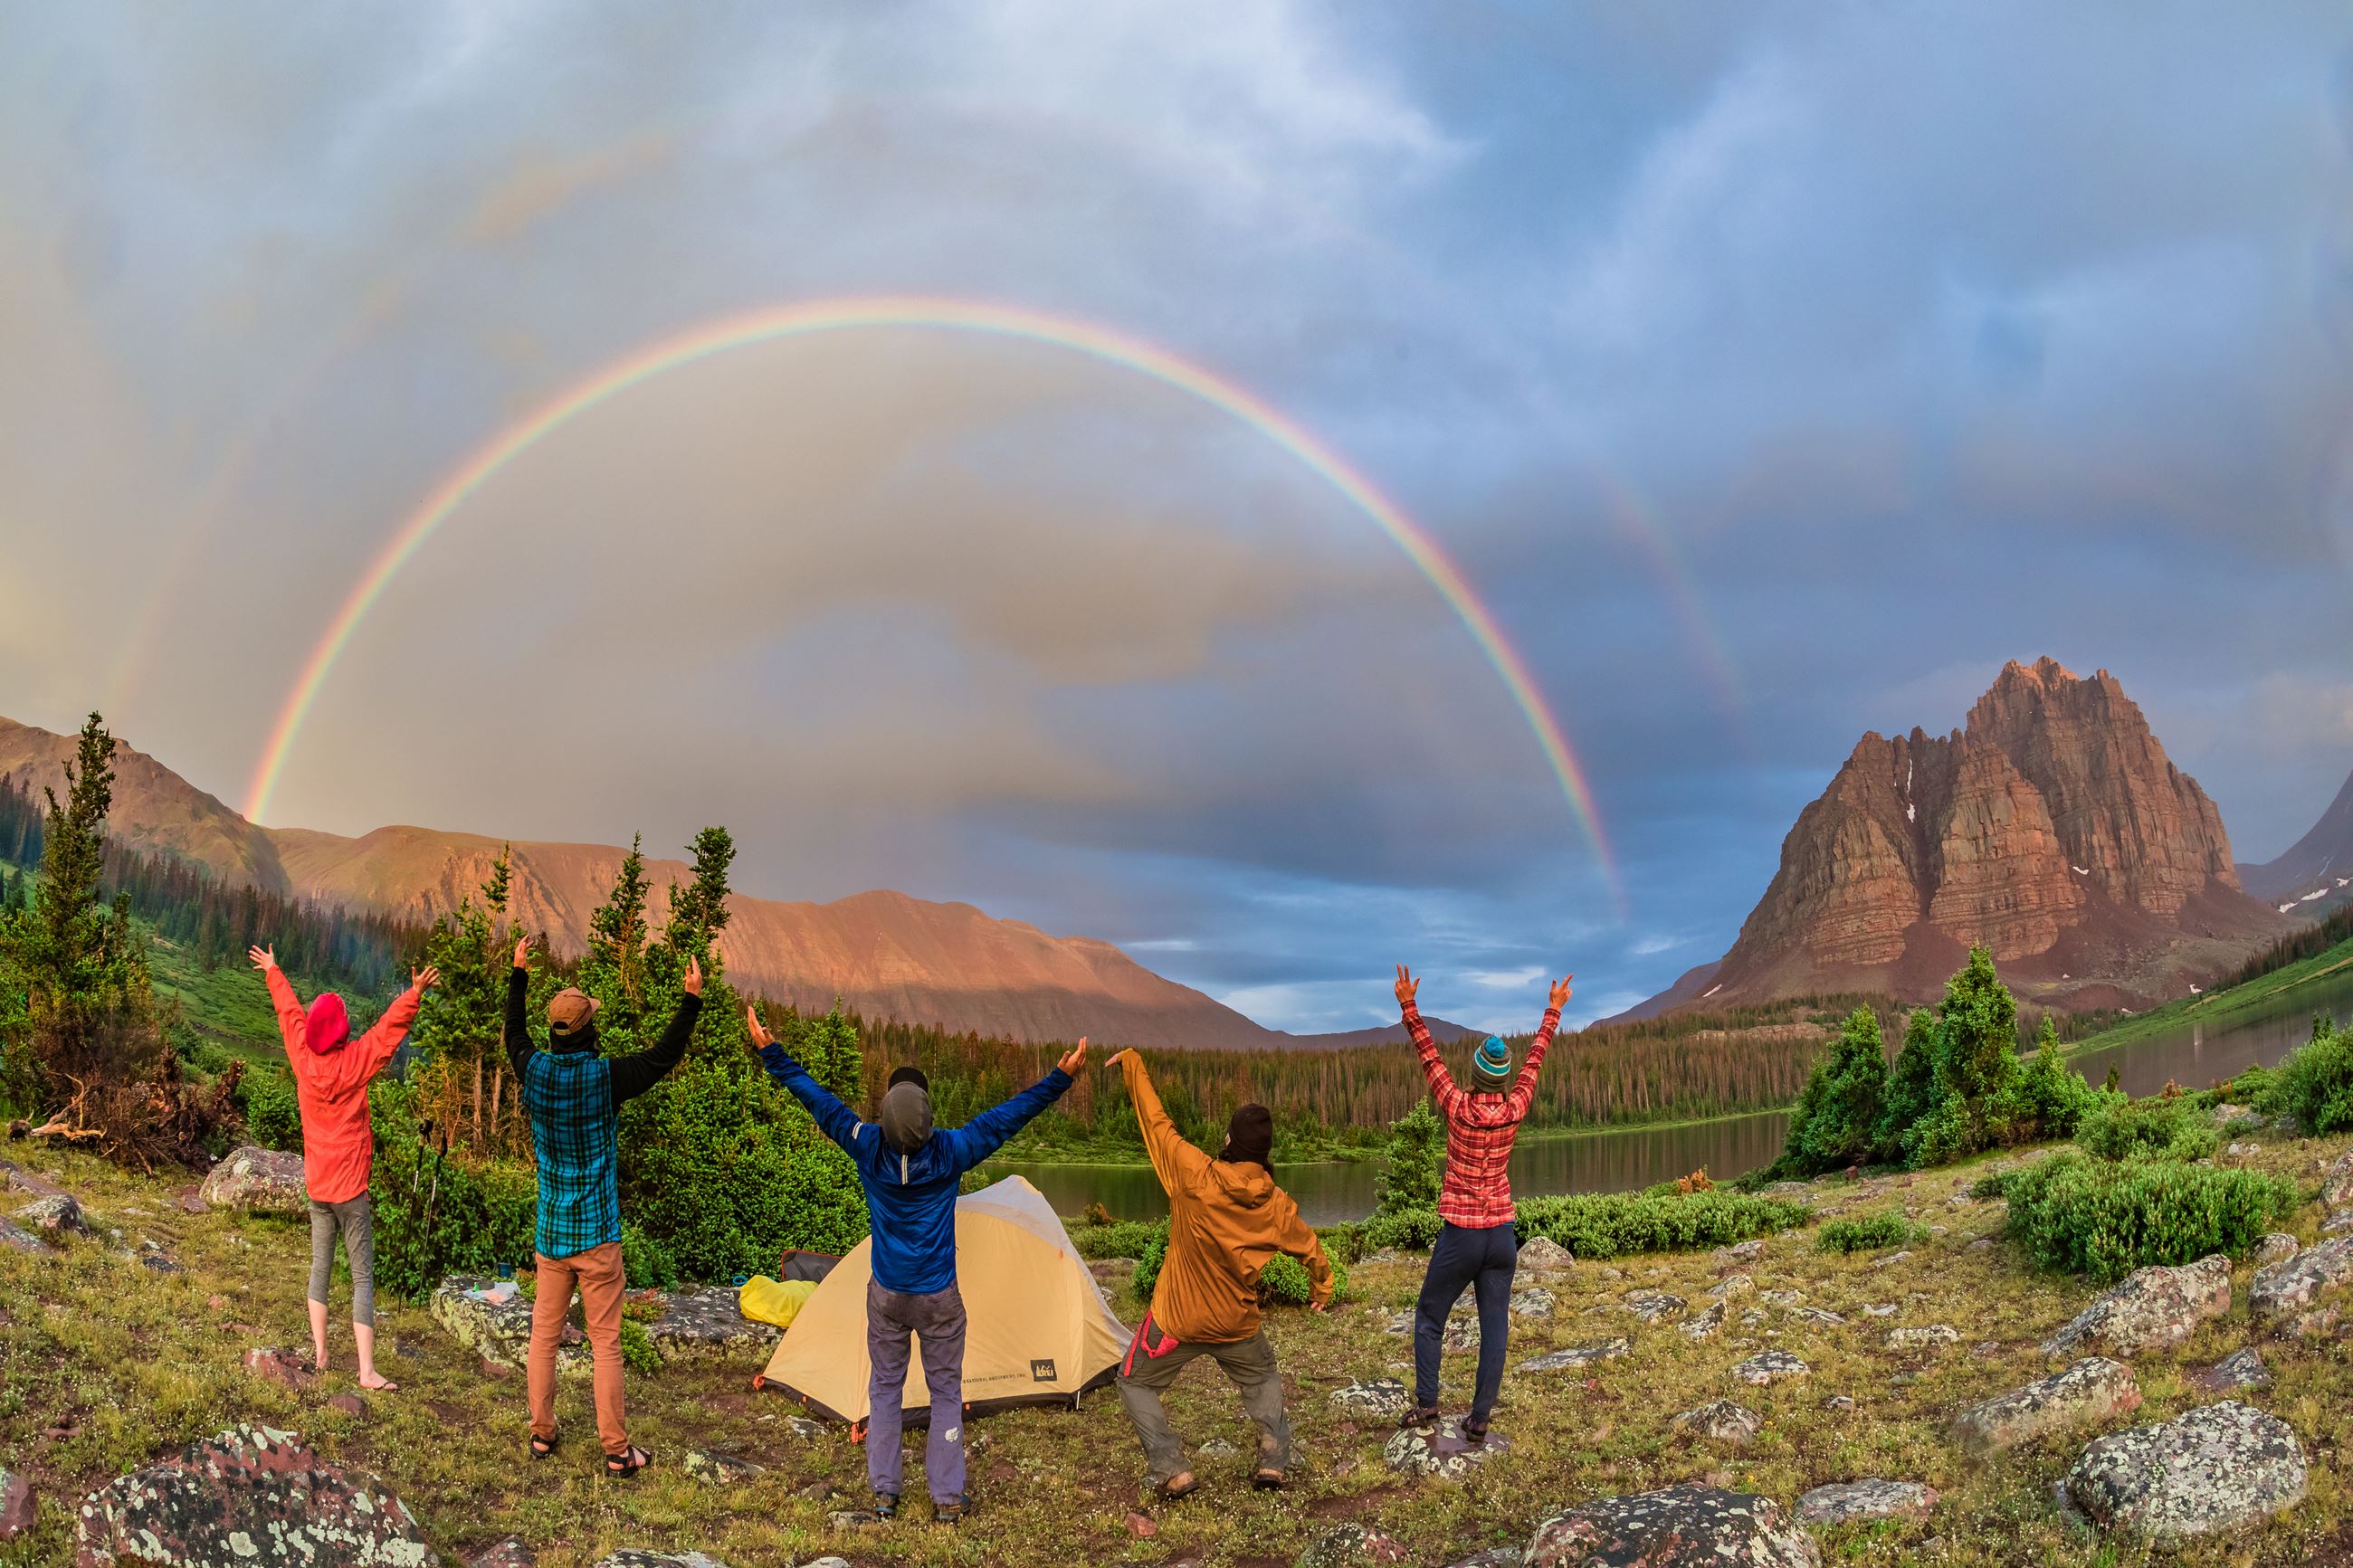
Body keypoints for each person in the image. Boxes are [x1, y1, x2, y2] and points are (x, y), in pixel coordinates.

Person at [746, 1004, 1083, 1525]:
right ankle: (947, 1498)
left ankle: (885, 1494)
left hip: (886, 1295)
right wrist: (1060, 1079)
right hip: (939, 1298)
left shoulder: (866, 1146)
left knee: (884, 1388)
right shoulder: (952, 1150)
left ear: (883, 1115)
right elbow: (1012, 1115)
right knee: (946, 1391)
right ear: (927, 1118)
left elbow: (816, 1100)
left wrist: (772, 1051)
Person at [509, 936, 701, 1478]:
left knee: (543, 1337)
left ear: (555, 1033)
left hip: (552, 1235)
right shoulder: (607, 1077)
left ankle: (542, 1435)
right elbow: (663, 1057)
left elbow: (513, 1035)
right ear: (591, 1030)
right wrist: (690, 1001)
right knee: (606, 1344)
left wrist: (518, 975)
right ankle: (617, 1451)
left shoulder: (535, 1071)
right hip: (596, 1234)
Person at [1107, 1047, 1331, 1501]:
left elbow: (1157, 1123)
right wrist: (1321, 1284)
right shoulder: (1276, 1203)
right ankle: (1272, 1460)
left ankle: (1173, 1469)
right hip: (1236, 1324)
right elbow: (1310, 1247)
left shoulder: (1193, 1174)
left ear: (1229, 1141)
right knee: (1262, 1376)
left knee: (1133, 1381)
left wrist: (1133, 1065)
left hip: (1176, 1320)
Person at [1395, 963, 1570, 1441]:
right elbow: (1535, 1059)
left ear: (1474, 1073)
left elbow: (1428, 1056)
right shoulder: (1515, 1108)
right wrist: (1552, 1011)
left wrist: (1409, 1005)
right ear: (1503, 1078)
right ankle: (1479, 1420)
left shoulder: (1457, 1106)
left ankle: (1428, 1406)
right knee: (1495, 1328)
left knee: (1431, 1316)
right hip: (1501, 1238)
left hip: (1461, 1236)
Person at [250, 944, 438, 1392]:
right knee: (361, 1276)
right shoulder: (354, 1063)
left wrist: (275, 972)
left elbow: (290, 1017)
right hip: (351, 1189)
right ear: (340, 1032)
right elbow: (385, 1034)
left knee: (320, 1267)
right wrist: (413, 994)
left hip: (317, 1186)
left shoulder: (301, 1058)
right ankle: (367, 1371)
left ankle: (320, 1352)